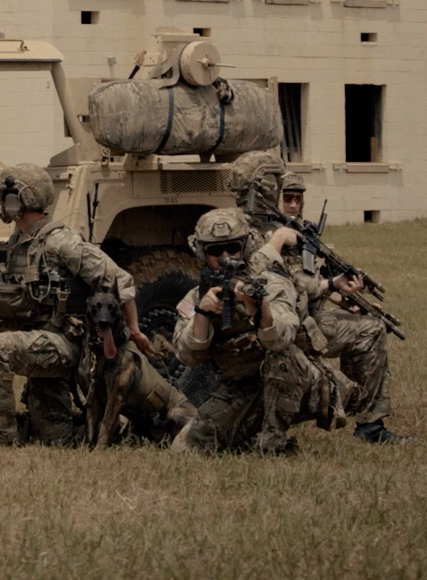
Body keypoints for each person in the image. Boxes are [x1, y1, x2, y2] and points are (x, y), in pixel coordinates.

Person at [0, 164, 163, 446]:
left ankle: (1, 439)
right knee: (57, 441)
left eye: (3, 197)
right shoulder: (20, 241)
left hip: (65, 343)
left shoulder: (61, 242)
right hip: (42, 339)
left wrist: (134, 329)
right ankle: (123, 432)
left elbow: (120, 280)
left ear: (20, 199)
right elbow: (28, 294)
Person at [172, 208, 338, 453]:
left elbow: (281, 340)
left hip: (298, 383)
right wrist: (202, 314)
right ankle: (249, 434)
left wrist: (260, 309)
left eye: (233, 248)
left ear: (246, 247)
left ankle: (273, 443)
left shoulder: (272, 283)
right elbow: (188, 356)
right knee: (185, 449)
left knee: (282, 358)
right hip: (243, 389)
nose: (225, 257)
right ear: (201, 253)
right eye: (215, 251)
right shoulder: (197, 296)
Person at [268, 173, 413, 444]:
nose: (293, 205)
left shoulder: (297, 234)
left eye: (298, 199)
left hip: (306, 318)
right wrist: (333, 284)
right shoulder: (273, 237)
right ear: (274, 198)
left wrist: (347, 300)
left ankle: (355, 404)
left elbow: (315, 283)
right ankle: (367, 423)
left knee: (369, 323)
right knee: (372, 330)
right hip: (291, 325)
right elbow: (301, 286)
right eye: (287, 198)